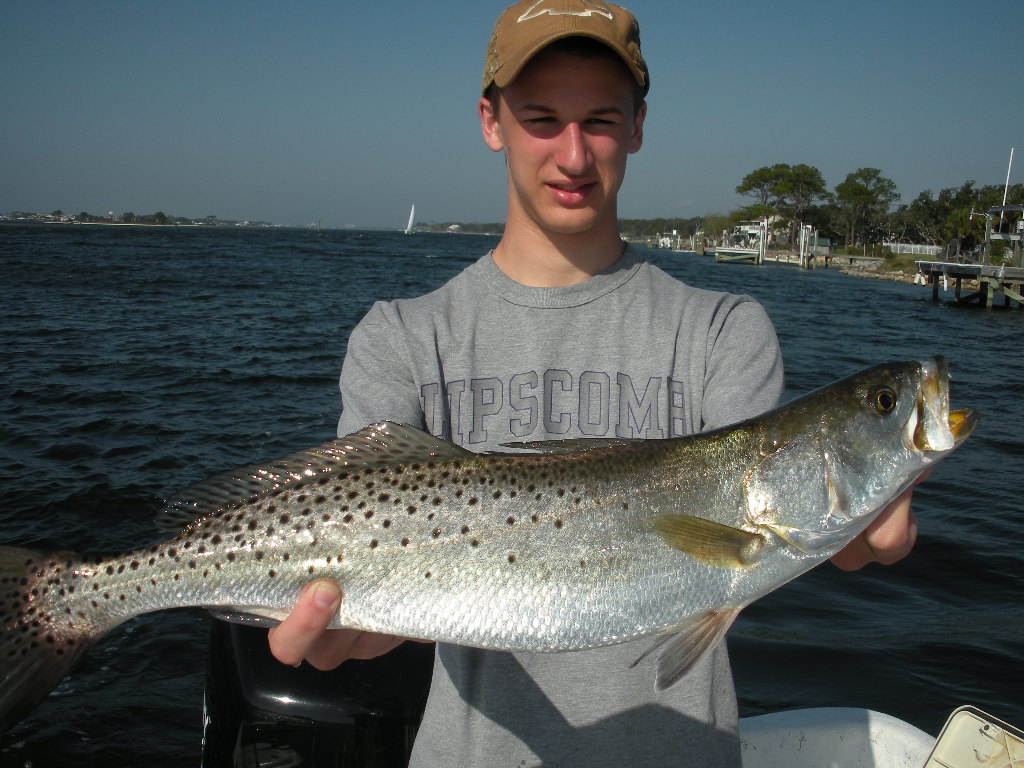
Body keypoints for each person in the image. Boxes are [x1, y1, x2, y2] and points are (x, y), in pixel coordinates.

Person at [268, 1, 920, 764]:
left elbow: (765, 534)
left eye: (601, 121)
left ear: (639, 126)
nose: (573, 155)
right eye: (542, 118)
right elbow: (379, 612)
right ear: (491, 120)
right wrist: (345, 635)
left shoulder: (723, 331)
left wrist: (849, 540)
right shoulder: (403, 337)